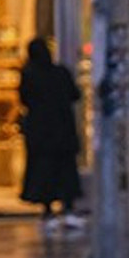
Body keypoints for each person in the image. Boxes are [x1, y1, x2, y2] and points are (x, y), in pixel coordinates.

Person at [19, 38, 83, 234]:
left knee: (44, 172)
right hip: (63, 131)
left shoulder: (29, 75)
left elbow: (24, 99)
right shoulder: (61, 73)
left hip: (41, 134)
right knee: (65, 170)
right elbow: (75, 94)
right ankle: (68, 208)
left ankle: (47, 210)